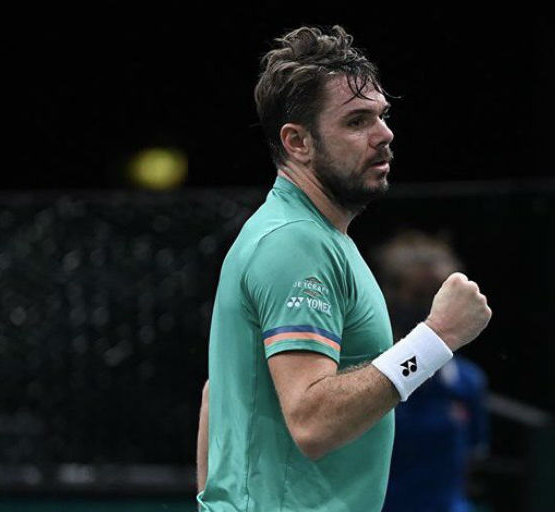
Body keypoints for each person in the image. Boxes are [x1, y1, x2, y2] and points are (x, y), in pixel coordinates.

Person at [195, 25, 492, 511]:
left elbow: (218, 396)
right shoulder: (295, 242)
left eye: (382, 116)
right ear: (298, 142)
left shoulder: (311, 236)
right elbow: (312, 423)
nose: (384, 134)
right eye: (356, 121)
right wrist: (438, 337)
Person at [375, 231, 490, 512]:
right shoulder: (367, 376)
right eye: (418, 295)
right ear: (391, 295)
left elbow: (473, 456)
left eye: (436, 296)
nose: (428, 307)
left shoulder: (467, 381)